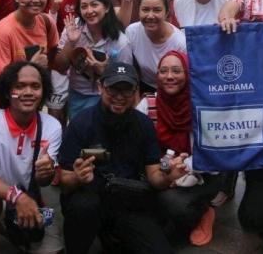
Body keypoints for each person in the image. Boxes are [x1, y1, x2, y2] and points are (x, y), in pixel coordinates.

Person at [58, 62, 186, 254]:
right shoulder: (81, 124)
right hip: (90, 197)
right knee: (83, 207)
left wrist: (168, 175)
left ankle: (113, 234)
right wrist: (77, 177)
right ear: (101, 87)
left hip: (127, 202)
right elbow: (64, 180)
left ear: (136, 91)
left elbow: (154, 176)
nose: (119, 96)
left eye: (126, 90)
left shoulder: (143, 124)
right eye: (113, 90)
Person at [0, 61, 64, 254]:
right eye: (19, 86)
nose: (28, 92)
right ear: (7, 91)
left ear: (43, 92)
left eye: (35, 86)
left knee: (53, 250)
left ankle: (8, 227)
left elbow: (44, 182)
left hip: (31, 193)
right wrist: (18, 197)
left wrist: (46, 172)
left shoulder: (52, 126)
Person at [154, 51, 221, 246]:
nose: (169, 76)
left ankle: (203, 212)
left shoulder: (203, 105)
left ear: (188, 73)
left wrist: (183, 169)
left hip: (202, 175)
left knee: (174, 204)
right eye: (163, 71)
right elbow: (144, 149)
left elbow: (213, 157)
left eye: (177, 71)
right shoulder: (147, 104)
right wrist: (165, 170)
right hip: (161, 171)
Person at [54, 0, 133, 122]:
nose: (89, 11)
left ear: (107, 7)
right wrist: (71, 42)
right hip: (77, 95)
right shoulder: (73, 28)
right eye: (84, 6)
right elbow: (60, 67)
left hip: (108, 99)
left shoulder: (120, 41)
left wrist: (103, 72)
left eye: (94, 5)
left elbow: (126, 80)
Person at [0, 0, 59, 115]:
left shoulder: (46, 22)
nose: (36, 0)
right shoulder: (4, 31)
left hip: (31, 99)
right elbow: (0, 81)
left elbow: (55, 59)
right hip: (7, 102)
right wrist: (32, 66)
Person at [46, 0, 89, 122]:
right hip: (62, 52)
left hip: (87, 52)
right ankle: (56, 142)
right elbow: (48, 26)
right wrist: (53, 10)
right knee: (57, 105)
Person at [125, 0, 187, 91]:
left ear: (167, 12)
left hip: (171, 90)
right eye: (145, 10)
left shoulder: (180, 43)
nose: (150, 16)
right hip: (141, 87)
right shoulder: (132, 32)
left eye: (157, 10)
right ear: (138, 11)